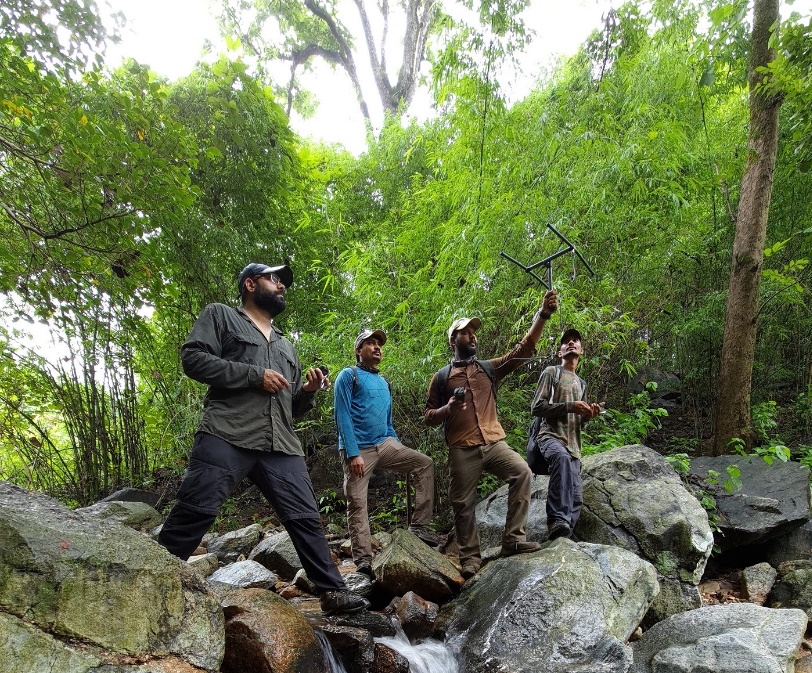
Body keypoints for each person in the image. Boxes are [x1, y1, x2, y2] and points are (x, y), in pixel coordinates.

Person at [158, 262, 365, 615]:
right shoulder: (221, 316)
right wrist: (254, 376)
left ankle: (333, 593)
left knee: (305, 518)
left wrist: (308, 391)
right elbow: (192, 359)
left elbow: (293, 407)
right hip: (227, 431)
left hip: (281, 444)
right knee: (195, 511)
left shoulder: (287, 346)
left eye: (284, 281)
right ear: (251, 284)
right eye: (274, 278)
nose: (282, 285)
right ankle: (150, 579)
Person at [423, 290, 559, 578]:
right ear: (453, 340)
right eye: (465, 332)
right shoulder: (441, 377)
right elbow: (428, 417)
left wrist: (542, 315)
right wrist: (448, 409)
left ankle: (513, 541)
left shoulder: (488, 369)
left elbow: (523, 350)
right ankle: (470, 558)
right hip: (462, 447)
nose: (472, 336)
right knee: (462, 503)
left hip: (494, 442)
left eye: (474, 332)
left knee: (522, 472)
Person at [335, 329, 440, 575]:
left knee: (424, 463)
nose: (377, 347)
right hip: (358, 448)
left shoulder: (384, 382)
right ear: (358, 351)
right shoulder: (349, 376)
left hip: (386, 444)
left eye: (379, 343)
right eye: (370, 343)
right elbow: (341, 415)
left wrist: (397, 444)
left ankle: (419, 526)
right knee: (358, 502)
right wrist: (352, 453)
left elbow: (388, 420)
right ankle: (362, 559)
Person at [528, 327, 603, 539]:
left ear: (582, 351)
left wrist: (589, 415)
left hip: (574, 446)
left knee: (576, 495)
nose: (570, 343)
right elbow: (536, 407)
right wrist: (570, 406)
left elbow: (580, 424)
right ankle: (555, 520)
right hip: (550, 436)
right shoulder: (552, 373)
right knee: (559, 459)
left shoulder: (582, 384)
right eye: (566, 342)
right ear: (559, 352)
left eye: (575, 340)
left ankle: (562, 538)